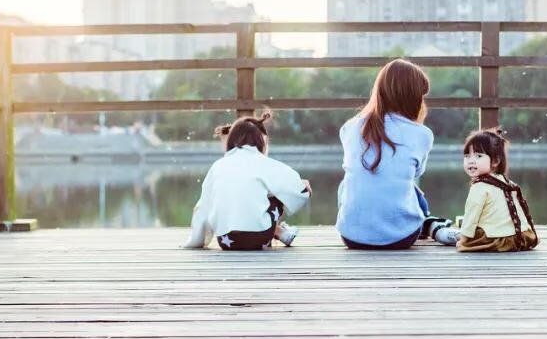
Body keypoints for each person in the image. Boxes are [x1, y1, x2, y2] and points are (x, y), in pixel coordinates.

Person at [336, 59, 450, 249]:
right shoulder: (421, 134)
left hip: (351, 237)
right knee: (411, 188)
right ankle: (428, 222)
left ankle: (360, 221)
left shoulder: (349, 127)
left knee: (350, 182)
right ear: (414, 97)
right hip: (401, 238)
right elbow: (415, 174)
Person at [183, 111, 311, 250]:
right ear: (260, 140)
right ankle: (280, 231)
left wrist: (197, 239)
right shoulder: (264, 163)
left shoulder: (217, 166)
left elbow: (204, 206)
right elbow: (299, 191)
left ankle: (280, 232)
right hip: (259, 237)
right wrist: (303, 186)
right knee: (277, 195)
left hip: (227, 241)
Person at [448, 127, 540, 252]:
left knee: (462, 231)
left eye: (478, 156)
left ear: (495, 161)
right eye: (467, 156)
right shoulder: (506, 182)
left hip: (498, 240)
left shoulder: (479, 187)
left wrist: (463, 240)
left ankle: (439, 231)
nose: (471, 161)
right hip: (521, 237)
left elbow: (471, 216)